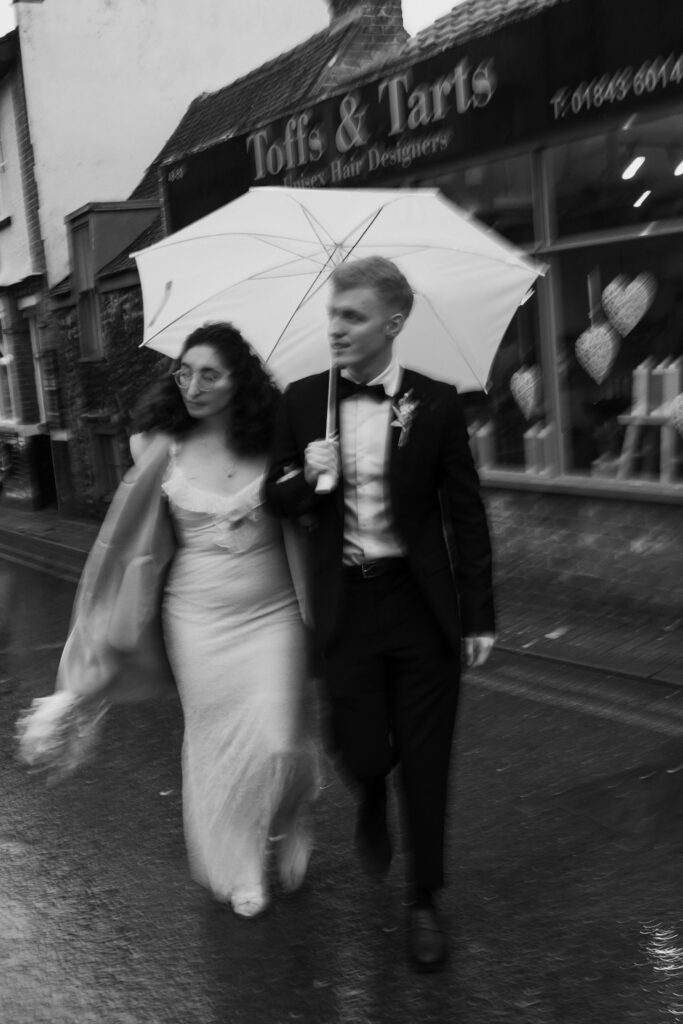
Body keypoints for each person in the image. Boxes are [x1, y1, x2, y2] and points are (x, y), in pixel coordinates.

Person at [18, 322, 318, 920]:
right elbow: (127, 544)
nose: (193, 384)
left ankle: (288, 811)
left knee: (277, 738)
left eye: (210, 374)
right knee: (218, 744)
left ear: (240, 382)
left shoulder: (277, 440)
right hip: (197, 622)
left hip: (274, 614)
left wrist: (314, 480)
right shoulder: (158, 446)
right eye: (184, 371)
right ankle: (238, 865)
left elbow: (300, 528)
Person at [265, 256, 496, 972]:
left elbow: (464, 511)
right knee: (361, 748)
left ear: (392, 324)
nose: (335, 328)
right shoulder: (303, 401)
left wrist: (478, 614)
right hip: (347, 605)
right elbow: (276, 497)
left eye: (352, 316)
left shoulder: (436, 402)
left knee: (426, 762)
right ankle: (369, 791)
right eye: (332, 314)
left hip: (420, 606)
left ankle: (423, 899)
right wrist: (309, 472)